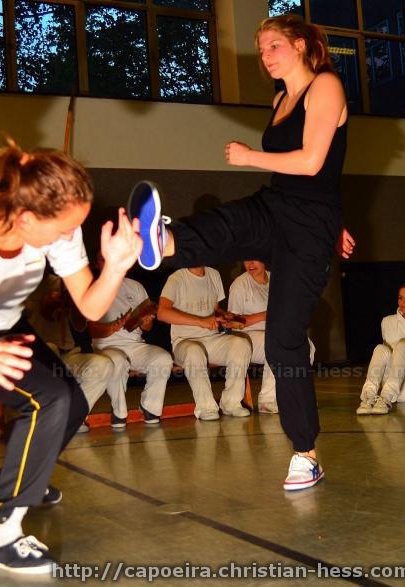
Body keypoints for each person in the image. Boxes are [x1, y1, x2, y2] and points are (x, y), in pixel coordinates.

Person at [128, 14, 355, 491]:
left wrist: (252, 157)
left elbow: (314, 162)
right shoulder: (280, 99)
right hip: (279, 204)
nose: (265, 56)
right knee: (230, 222)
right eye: (261, 48)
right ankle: (163, 240)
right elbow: (310, 173)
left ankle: (305, 453)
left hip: (309, 227)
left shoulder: (326, 86)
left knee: (283, 341)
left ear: (300, 45)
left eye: (274, 45)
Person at [0, 142, 141, 574]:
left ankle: (15, 476)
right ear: (26, 218)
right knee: (49, 398)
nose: (69, 237)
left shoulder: (59, 226)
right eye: (63, 230)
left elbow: (90, 307)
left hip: (6, 325)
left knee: (72, 402)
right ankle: (3, 537)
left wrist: (115, 268)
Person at [88, 254, 172, 428]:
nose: (110, 262)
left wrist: (146, 322)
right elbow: (91, 329)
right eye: (104, 259)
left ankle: (149, 407)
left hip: (135, 345)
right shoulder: (92, 288)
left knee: (163, 358)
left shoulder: (135, 286)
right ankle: (119, 412)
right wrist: (113, 327)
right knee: (118, 360)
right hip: (106, 347)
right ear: (97, 264)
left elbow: (147, 327)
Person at [158, 266, 251, 420]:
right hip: (184, 342)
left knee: (241, 344)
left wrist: (224, 317)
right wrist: (201, 321)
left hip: (212, 339)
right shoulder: (177, 278)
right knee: (194, 351)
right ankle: (206, 407)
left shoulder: (214, 274)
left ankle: (231, 403)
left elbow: (214, 309)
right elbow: (162, 313)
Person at [25, 271, 114, 433]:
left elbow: (80, 326)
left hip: (68, 354)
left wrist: (74, 304)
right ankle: (47, 418)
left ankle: (73, 418)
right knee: (49, 349)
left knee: (103, 365)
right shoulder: (19, 283)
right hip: (36, 356)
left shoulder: (64, 282)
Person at [228, 259, 315, 414]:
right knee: (277, 344)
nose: (250, 264)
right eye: (246, 260)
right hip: (246, 338)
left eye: (254, 259)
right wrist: (266, 315)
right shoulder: (239, 285)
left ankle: (292, 396)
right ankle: (267, 400)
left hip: (275, 334)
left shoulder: (277, 279)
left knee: (306, 345)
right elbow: (233, 322)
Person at [357, 283, 405, 415]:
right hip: (398, 392)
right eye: (400, 298)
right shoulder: (387, 322)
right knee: (380, 349)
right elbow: (387, 359)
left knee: (403, 346)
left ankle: (386, 397)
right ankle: (368, 397)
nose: (403, 302)